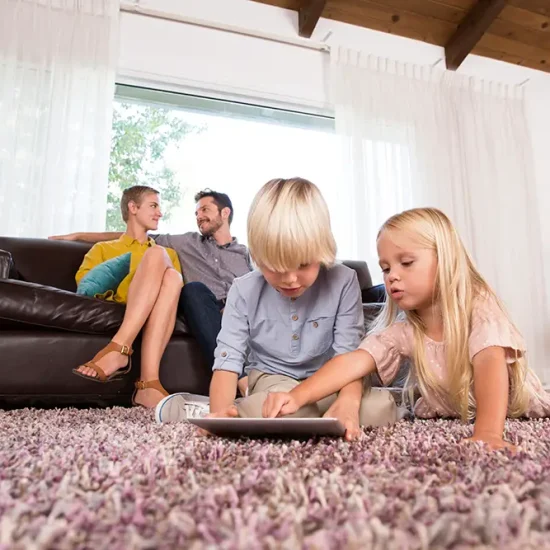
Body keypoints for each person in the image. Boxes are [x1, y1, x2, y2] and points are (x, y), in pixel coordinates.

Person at [264, 207, 550, 450]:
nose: (392, 277)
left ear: (445, 260)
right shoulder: (406, 330)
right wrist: (297, 395)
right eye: (386, 268)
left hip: (512, 406)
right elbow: (353, 362)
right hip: (451, 410)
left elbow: (490, 364)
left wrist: (488, 432)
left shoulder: (480, 306)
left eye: (407, 263)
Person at [161, 177, 399, 438]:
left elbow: (348, 356)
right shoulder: (243, 289)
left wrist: (349, 404)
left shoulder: (343, 280)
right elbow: (228, 362)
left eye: (303, 264)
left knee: (383, 408)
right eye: (275, 267)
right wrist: (220, 415)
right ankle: (208, 409)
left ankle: (256, 411)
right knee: (288, 410)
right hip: (272, 377)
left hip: (332, 378)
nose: (290, 279)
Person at [50, 189, 251, 395]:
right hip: (189, 306)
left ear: (225, 213)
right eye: (197, 212)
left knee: (171, 273)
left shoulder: (246, 254)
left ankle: (140, 374)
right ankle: (126, 355)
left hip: (233, 311)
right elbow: (126, 239)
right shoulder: (179, 243)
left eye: (204, 210)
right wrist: (78, 235)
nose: (199, 216)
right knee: (175, 272)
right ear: (133, 208)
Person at [73, 185, 183, 409]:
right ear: (133, 207)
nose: (159, 212)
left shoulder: (167, 253)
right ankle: (143, 378)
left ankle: (133, 365)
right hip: (124, 304)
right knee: (159, 257)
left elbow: (173, 295)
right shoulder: (103, 249)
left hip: (158, 309)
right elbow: (86, 288)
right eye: (153, 205)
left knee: (172, 276)